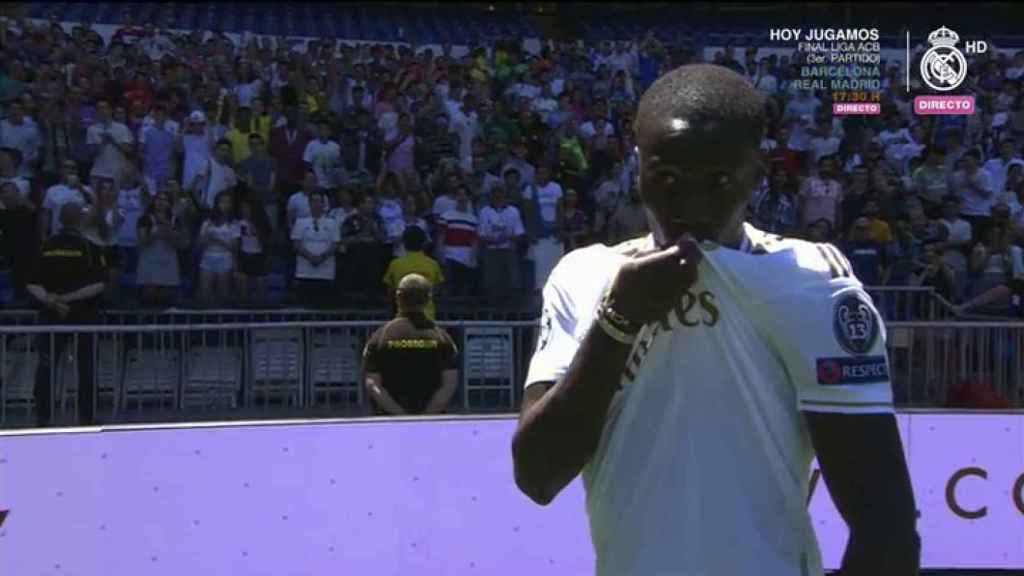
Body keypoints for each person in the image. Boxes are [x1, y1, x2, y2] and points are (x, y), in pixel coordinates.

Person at [511, 64, 919, 575]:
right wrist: (619, 321)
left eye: (719, 180)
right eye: (668, 178)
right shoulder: (585, 276)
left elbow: (886, 524)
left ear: (758, 172)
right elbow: (537, 476)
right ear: (638, 168)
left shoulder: (812, 282)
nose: (691, 203)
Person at [27, 202, 107, 426]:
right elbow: (99, 284)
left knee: (46, 365)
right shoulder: (90, 246)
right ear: (80, 219)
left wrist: (51, 300)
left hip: (52, 315)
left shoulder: (46, 245)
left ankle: (42, 417)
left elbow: (32, 283)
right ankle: (87, 417)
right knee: (86, 366)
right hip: (84, 315)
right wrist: (67, 300)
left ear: (60, 220)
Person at [362, 274, 459, 415]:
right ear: (428, 299)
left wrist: (401, 417)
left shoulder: (380, 337)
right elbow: (449, 385)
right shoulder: (443, 338)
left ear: (398, 297)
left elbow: (373, 384)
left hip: (389, 424)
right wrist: (425, 417)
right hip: (432, 425)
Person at [382, 226, 445, 320]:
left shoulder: (395, 264)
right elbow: (438, 289)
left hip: (403, 319)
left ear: (404, 242)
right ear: (423, 243)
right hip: (428, 318)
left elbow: (390, 291)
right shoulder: (433, 264)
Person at [291, 191, 340, 307]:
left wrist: (321, 257)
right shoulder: (300, 222)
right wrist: (310, 257)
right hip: (305, 272)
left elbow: (335, 244)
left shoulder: (332, 223)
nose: (317, 204)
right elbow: (296, 244)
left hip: (325, 272)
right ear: (309, 203)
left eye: (319, 201)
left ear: (324, 204)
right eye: (314, 201)